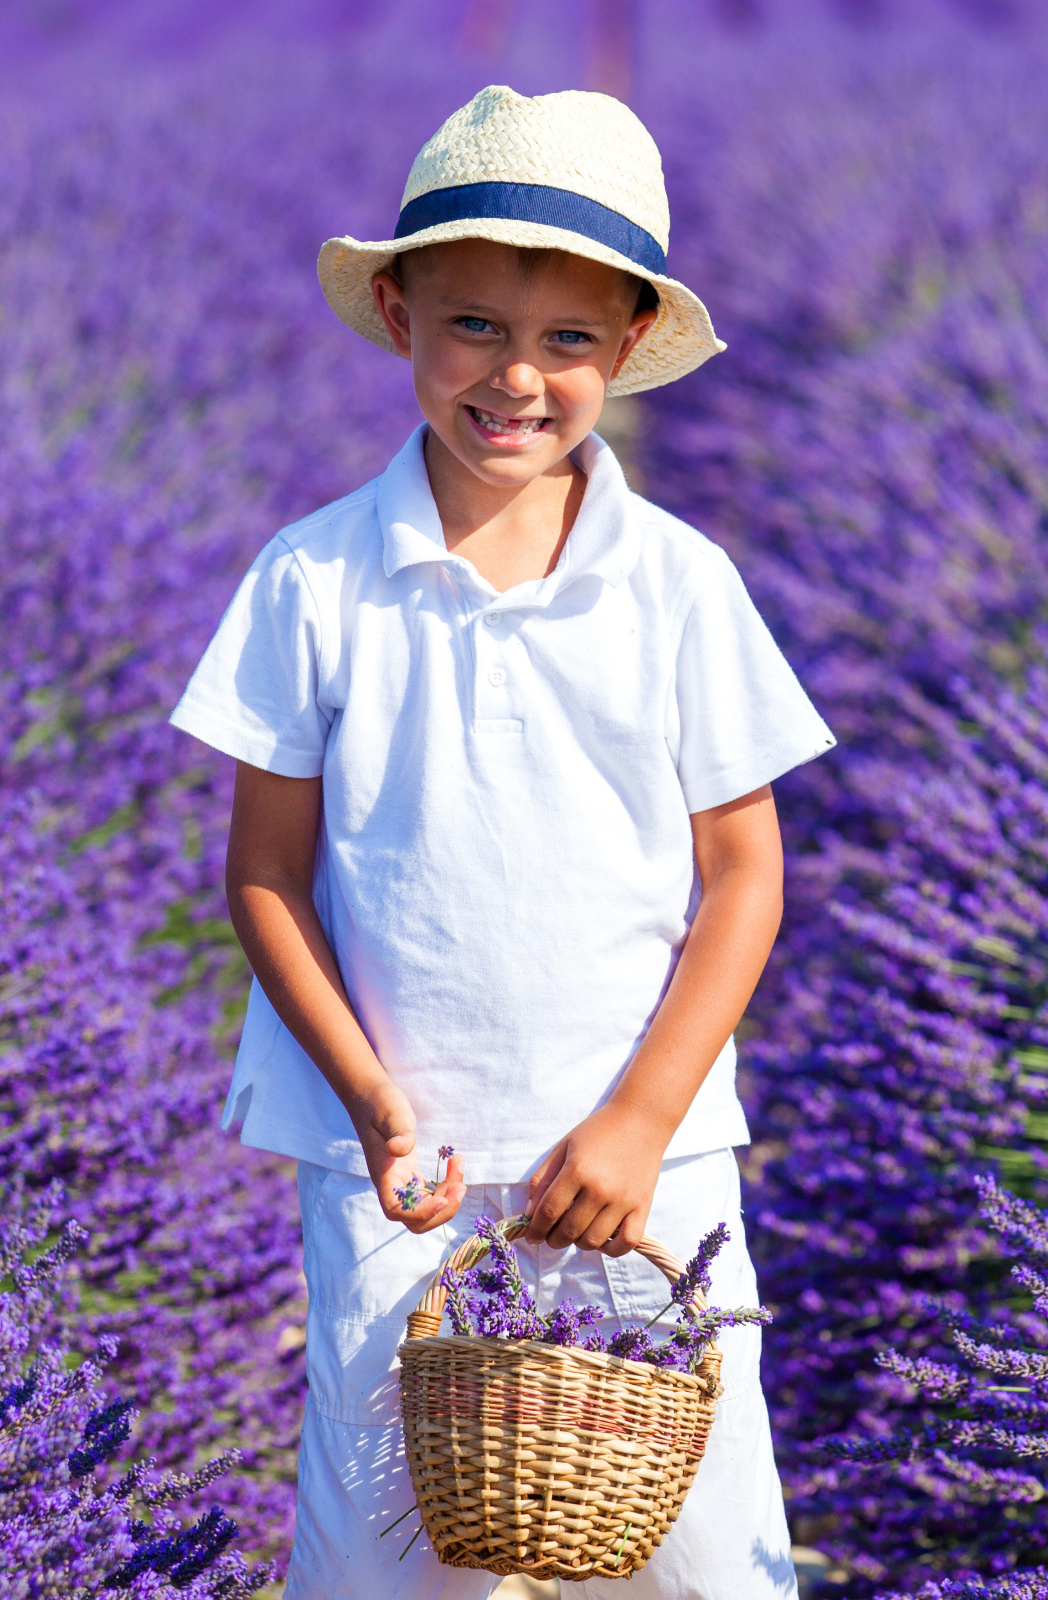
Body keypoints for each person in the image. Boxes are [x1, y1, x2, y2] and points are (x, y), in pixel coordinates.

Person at [169, 84, 832, 1600]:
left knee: (704, 1552)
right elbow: (263, 872)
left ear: (627, 349)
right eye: (473, 327)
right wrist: (371, 1102)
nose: (517, 377)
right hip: (402, 1159)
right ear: (397, 314)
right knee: (381, 1552)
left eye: (568, 342)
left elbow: (746, 877)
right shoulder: (315, 578)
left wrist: (639, 1124)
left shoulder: (675, 584)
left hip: (642, 1153)